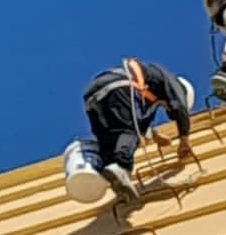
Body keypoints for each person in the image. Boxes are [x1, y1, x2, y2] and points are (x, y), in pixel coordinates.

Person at [82, 58, 195, 203]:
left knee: (111, 142)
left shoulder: (148, 95)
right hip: (119, 86)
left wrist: (154, 136)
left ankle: (117, 180)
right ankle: (121, 167)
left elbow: (140, 123)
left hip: (94, 96)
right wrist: (184, 139)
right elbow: (180, 107)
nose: (167, 108)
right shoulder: (173, 83)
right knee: (129, 132)